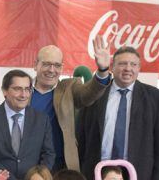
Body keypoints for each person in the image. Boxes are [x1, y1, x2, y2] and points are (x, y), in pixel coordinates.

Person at [78, 46, 159, 180]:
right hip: (97, 172)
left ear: (139, 68)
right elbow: (82, 135)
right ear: (112, 67)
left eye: (133, 64)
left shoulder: (154, 97)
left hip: (135, 176)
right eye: (122, 64)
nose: (128, 68)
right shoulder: (96, 93)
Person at [30, 39, 111, 171]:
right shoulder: (23, 90)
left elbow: (88, 93)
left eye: (57, 65)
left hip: (61, 167)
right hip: (27, 166)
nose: (52, 70)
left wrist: (102, 71)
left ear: (62, 68)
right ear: (35, 65)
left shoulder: (69, 88)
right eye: (46, 64)